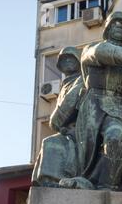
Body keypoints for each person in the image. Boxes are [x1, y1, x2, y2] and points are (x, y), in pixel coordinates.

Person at [62, 12, 122, 190]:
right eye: (115, 23)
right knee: (87, 152)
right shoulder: (93, 48)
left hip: (119, 107)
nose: (119, 26)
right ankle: (86, 181)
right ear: (108, 28)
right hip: (94, 103)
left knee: (116, 137)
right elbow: (100, 53)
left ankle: (107, 186)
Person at [32, 46, 84, 187]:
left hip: (81, 130)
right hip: (68, 130)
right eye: (63, 59)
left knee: (51, 143)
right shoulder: (65, 84)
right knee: (49, 143)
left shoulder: (81, 80)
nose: (67, 61)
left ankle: (52, 181)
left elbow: (68, 106)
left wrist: (56, 122)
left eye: (71, 58)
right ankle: (46, 181)